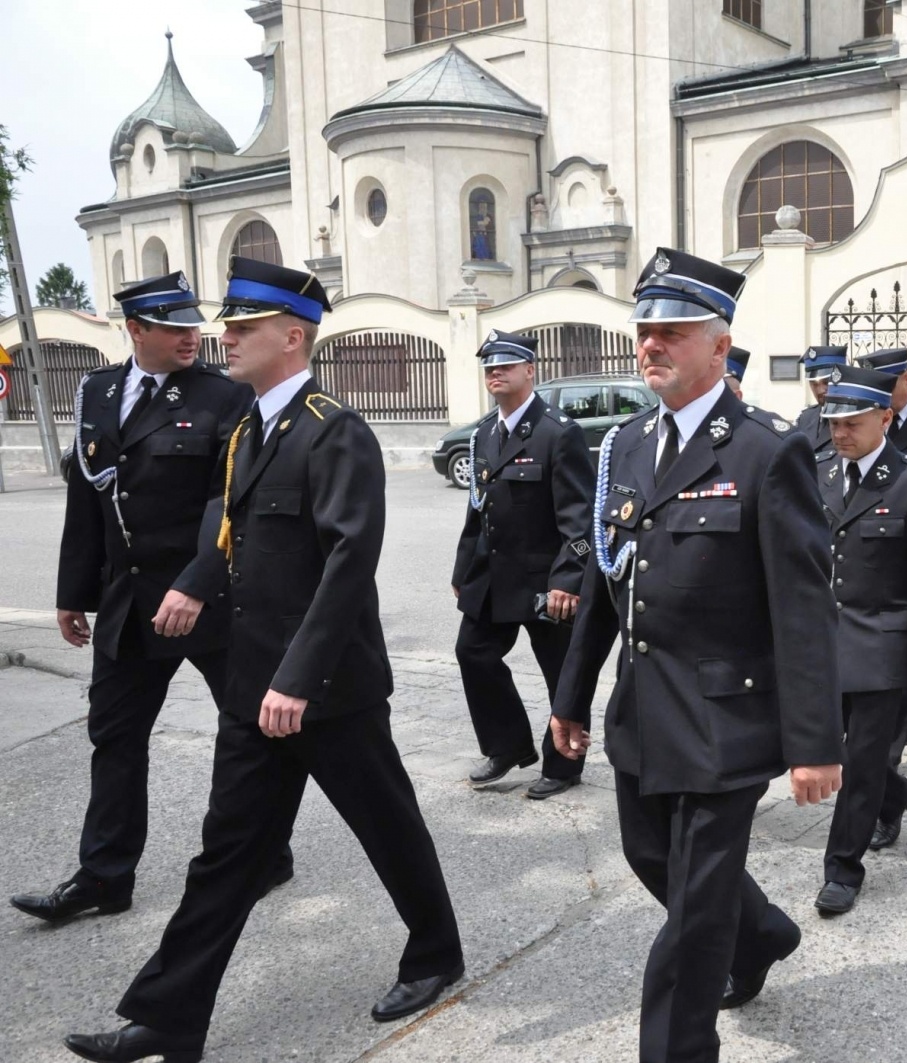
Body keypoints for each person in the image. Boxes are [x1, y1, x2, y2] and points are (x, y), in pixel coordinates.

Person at [65, 258, 464, 1063]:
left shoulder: (333, 429)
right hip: (255, 683)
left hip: (328, 689)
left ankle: (435, 954)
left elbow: (350, 565)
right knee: (227, 851)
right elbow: (228, 529)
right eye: (228, 325)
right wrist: (193, 588)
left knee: (386, 824)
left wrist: (298, 677)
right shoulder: (249, 427)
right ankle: (167, 1018)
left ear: (293, 336)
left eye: (242, 327)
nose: (224, 337)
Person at [549, 247, 843, 1063]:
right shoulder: (627, 445)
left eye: (672, 332)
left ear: (719, 346)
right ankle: (763, 935)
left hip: (727, 720)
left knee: (691, 920)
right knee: (654, 861)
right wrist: (570, 697)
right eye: (645, 332)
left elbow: (803, 606)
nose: (652, 346)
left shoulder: (764, 451)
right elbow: (609, 581)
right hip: (642, 712)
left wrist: (815, 743)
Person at [12, 272, 292, 926]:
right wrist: (72, 593)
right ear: (136, 329)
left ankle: (266, 850)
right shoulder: (98, 392)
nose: (192, 335)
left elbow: (229, 503)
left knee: (249, 731)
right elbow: (89, 497)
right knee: (114, 736)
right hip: (129, 605)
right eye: (174, 325)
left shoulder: (225, 398)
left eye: (194, 324)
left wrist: (198, 582)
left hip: (212, 598)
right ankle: (105, 875)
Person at [815, 365, 907, 915]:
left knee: (861, 759)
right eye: (832, 422)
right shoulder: (818, 475)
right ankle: (895, 793)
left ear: (884, 417)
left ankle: (841, 869)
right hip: (822, 645)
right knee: (832, 752)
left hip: (883, 647)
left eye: (851, 422)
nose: (839, 433)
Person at [452, 330, 594, 799]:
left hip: (545, 580)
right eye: (490, 367)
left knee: (561, 671)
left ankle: (565, 764)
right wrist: (462, 572)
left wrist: (569, 580)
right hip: (493, 577)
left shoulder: (558, 432)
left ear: (530, 371)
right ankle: (507, 744)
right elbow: (478, 509)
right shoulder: (485, 433)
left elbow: (579, 518)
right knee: (472, 652)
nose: (495, 373)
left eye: (506, 365)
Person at [793, 345, 848, 454]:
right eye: (814, 384)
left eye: (826, 382)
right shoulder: (805, 418)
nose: (820, 390)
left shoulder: (854, 417)